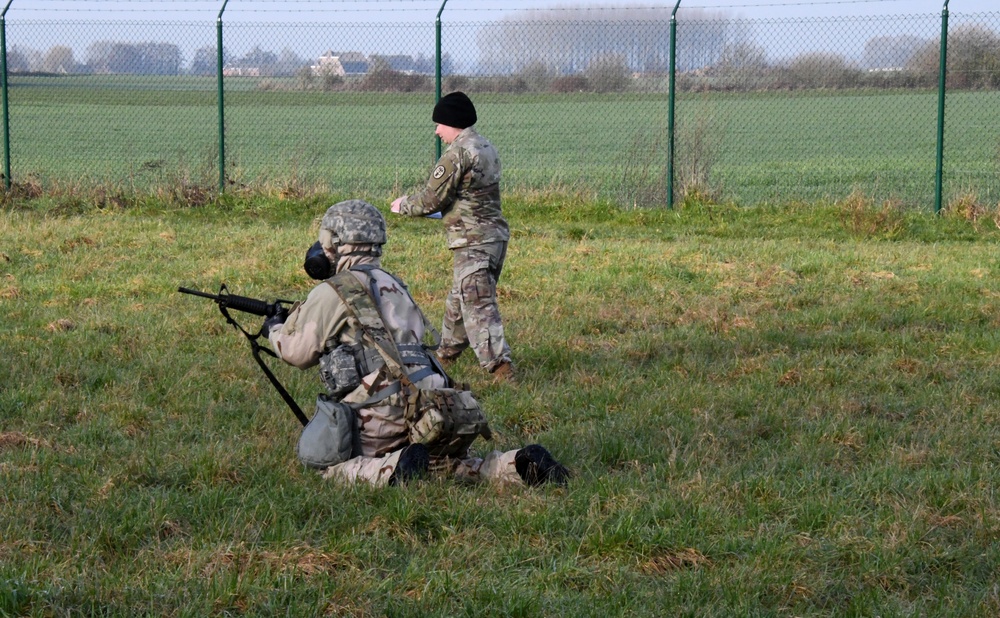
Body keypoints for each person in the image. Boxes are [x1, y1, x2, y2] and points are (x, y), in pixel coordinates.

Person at [265, 199, 568, 488]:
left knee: (331, 469)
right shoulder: (394, 283)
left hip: (386, 409)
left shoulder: (335, 289)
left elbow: (297, 353)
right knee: (445, 466)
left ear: (336, 242)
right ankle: (516, 464)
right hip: (431, 402)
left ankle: (394, 469)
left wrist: (274, 330)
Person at [390, 91, 515, 383]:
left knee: (478, 304)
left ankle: (501, 368)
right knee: (460, 298)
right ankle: (445, 354)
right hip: (493, 237)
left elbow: (432, 200)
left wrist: (403, 205)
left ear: (452, 123)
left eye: (439, 124)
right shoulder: (486, 146)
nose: (436, 130)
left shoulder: (457, 154)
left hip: (473, 240)